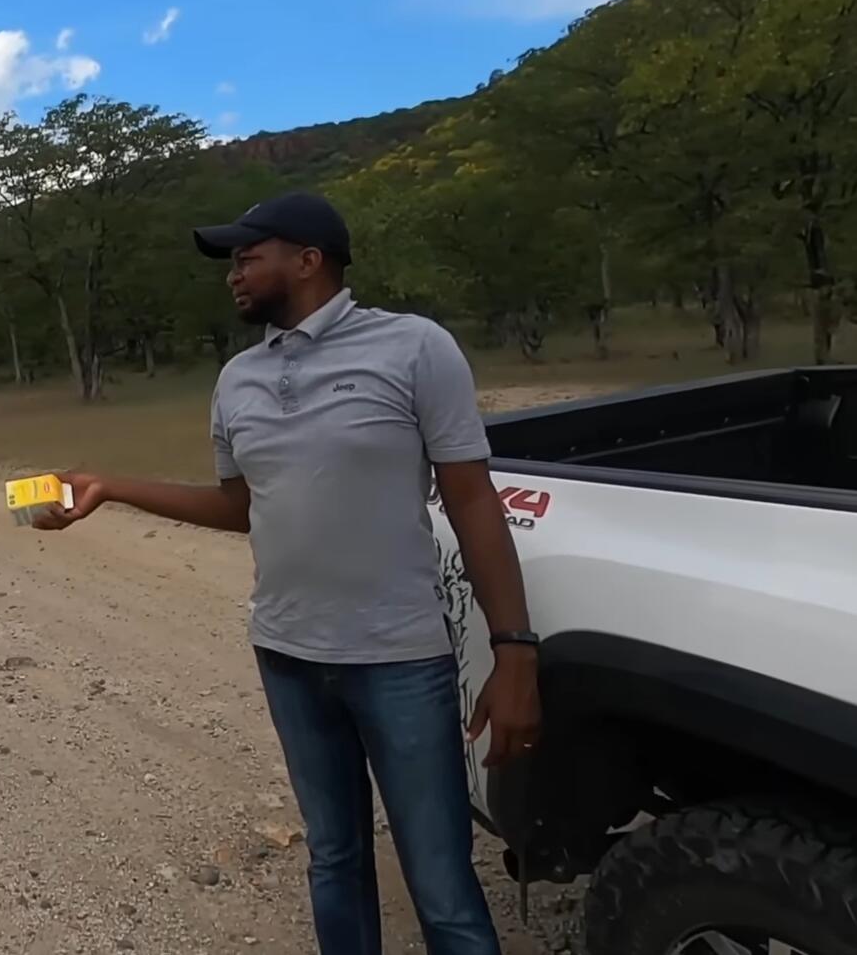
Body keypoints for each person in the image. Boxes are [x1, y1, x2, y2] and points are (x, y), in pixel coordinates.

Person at [33, 190, 540, 955]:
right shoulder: (236, 378)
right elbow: (241, 507)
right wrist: (111, 486)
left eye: (247, 256)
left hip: (398, 658)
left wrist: (514, 652)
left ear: (309, 261)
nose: (233, 274)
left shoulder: (413, 347)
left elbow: (472, 501)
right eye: (232, 261)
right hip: (288, 656)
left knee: (439, 882)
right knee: (333, 858)